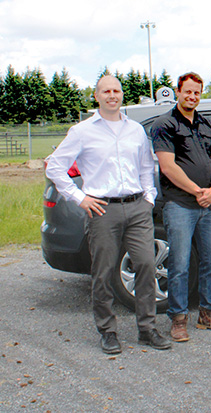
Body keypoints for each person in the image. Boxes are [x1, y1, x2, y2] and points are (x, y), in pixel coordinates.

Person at [45, 75, 171, 354]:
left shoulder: (136, 130)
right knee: (102, 272)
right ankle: (108, 331)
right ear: (97, 96)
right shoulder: (82, 131)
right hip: (103, 209)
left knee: (146, 265)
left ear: (121, 95)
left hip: (137, 207)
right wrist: (80, 198)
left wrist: (148, 198)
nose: (112, 95)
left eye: (116, 90)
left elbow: (145, 166)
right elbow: (54, 167)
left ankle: (147, 328)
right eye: (106, 91)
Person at [151, 72, 211, 341]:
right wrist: (197, 190)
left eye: (197, 92)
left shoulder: (208, 125)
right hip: (180, 204)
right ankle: (178, 318)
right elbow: (167, 166)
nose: (192, 96)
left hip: (210, 205)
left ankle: (208, 314)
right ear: (178, 91)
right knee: (180, 264)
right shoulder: (164, 125)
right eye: (187, 91)